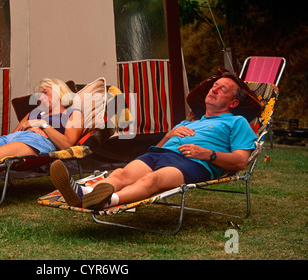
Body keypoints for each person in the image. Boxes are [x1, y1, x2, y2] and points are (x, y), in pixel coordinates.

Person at [50, 72, 258, 210]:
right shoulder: (191, 121)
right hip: (159, 154)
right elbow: (159, 148)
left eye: (223, 89)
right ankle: (83, 193)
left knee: (152, 181)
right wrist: (167, 136)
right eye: (214, 85)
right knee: (121, 174)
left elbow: (240, 161)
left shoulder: (236, 122)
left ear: (233, 102)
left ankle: (107, 201)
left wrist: (207, 154)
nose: (214, 89)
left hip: (193, 163)